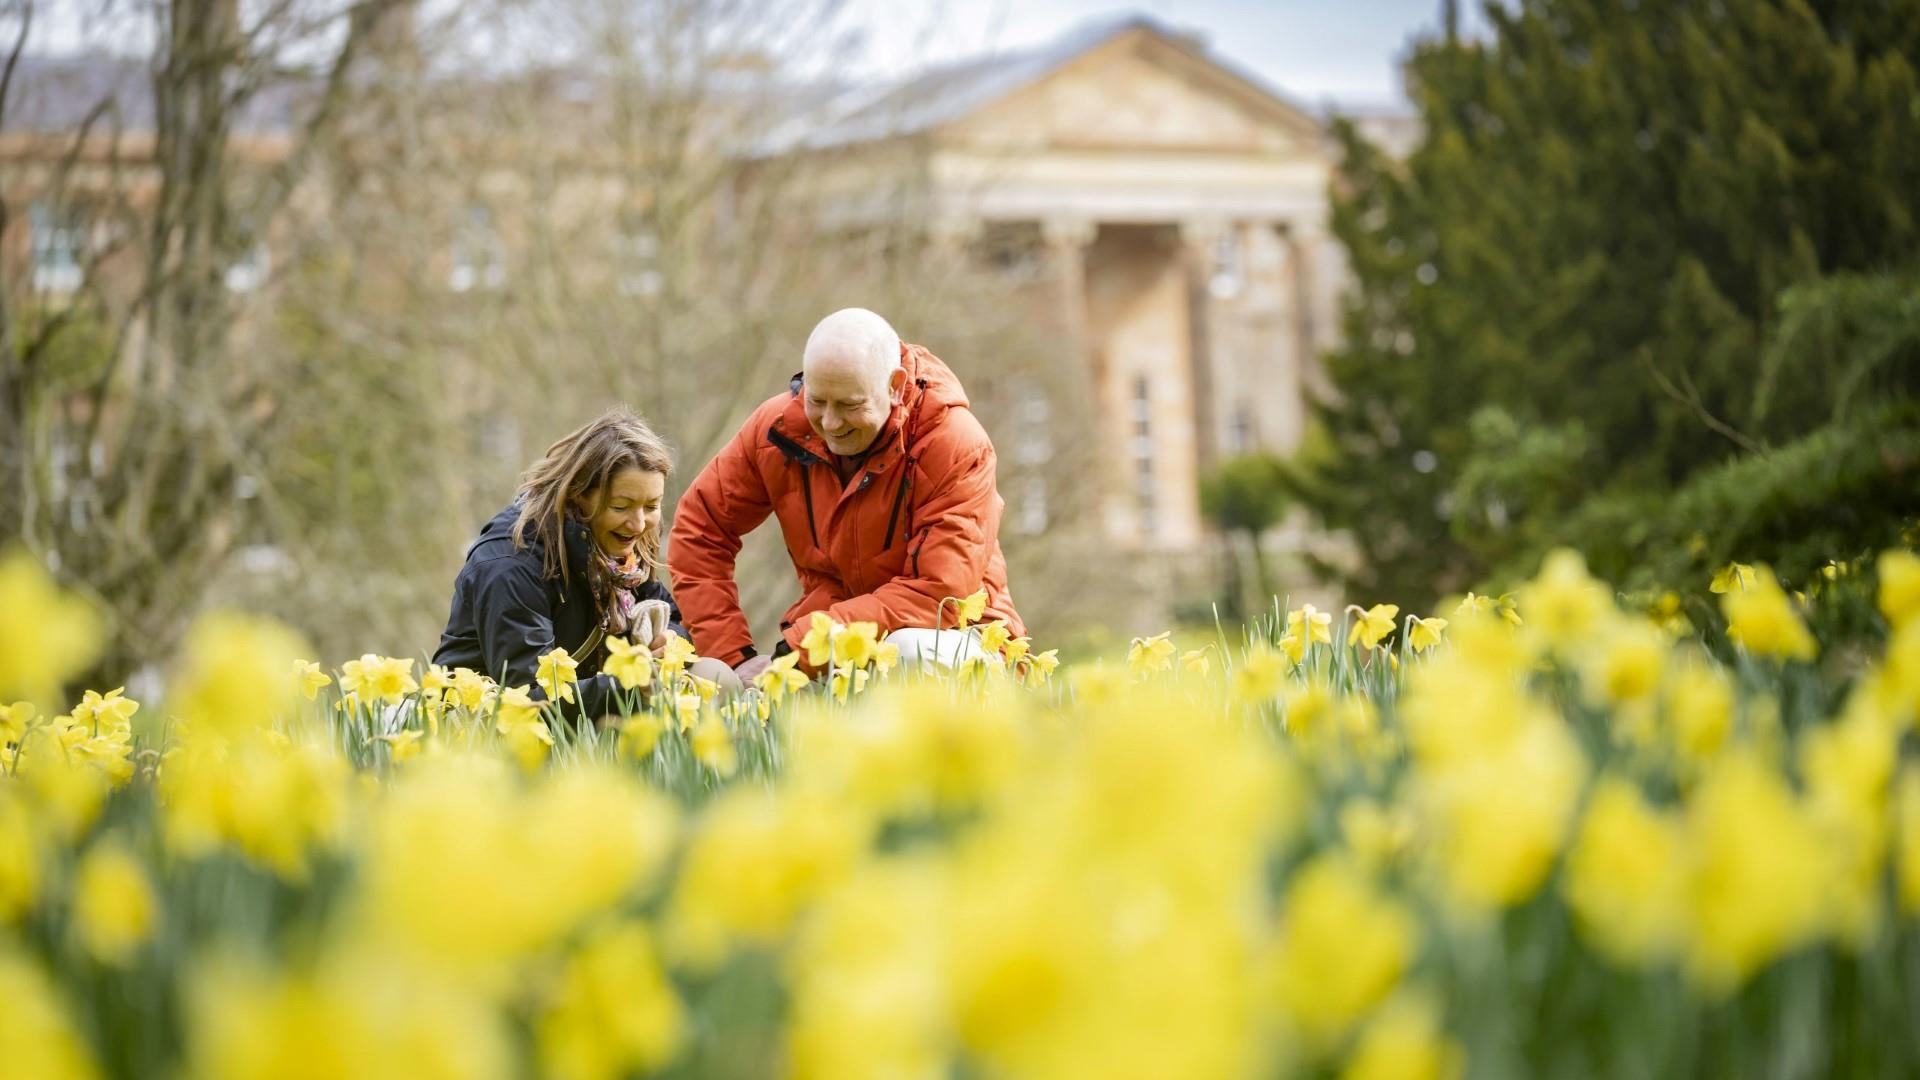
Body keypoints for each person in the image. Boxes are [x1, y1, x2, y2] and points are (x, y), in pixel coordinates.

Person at [670, 307, 1023, 680]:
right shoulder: (776, 431)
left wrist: (804, 644)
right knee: (724, 685)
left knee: (907, 652)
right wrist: (733, 657)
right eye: (816, 401)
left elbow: (936, 596)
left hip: (962, 639)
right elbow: (700, 527)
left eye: (850, 405)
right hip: (830, 649)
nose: (831, 423)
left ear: (895, 385)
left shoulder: (955, 445)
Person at [434, 407, 740, 718]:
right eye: (621, 506)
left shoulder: (620, 548)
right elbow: (526, 698)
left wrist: (667, 640)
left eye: (652, 506)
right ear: (579, 495)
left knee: (715, 678)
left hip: (591, 704)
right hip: (489, 722)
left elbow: (673, 622)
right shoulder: (511, 562)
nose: (638, 524)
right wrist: (630, 684)